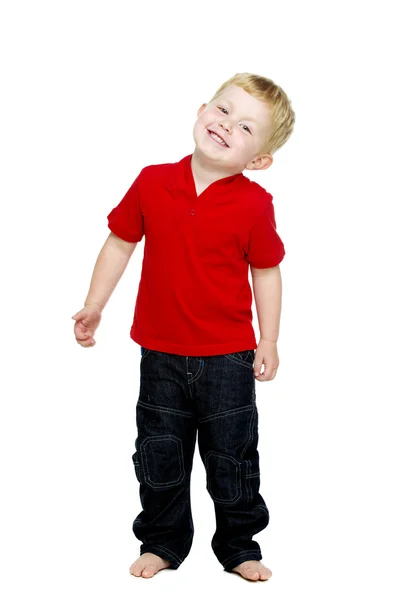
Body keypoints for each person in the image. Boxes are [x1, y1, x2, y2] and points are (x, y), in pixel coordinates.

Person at [72, 72, 295, 582]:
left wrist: (270, 339)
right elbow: (120, 243)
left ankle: (239, 545)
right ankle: (163, 541)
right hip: (161, 353)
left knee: (232, 456)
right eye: (222, 110)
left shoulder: (254, 203)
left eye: (244, 127)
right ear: (201, 109)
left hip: (229, 358)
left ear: (258, 160)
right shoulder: (153, 181)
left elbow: (266, 270)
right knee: (159, 451)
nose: (224, 126)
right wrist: (94, 305)